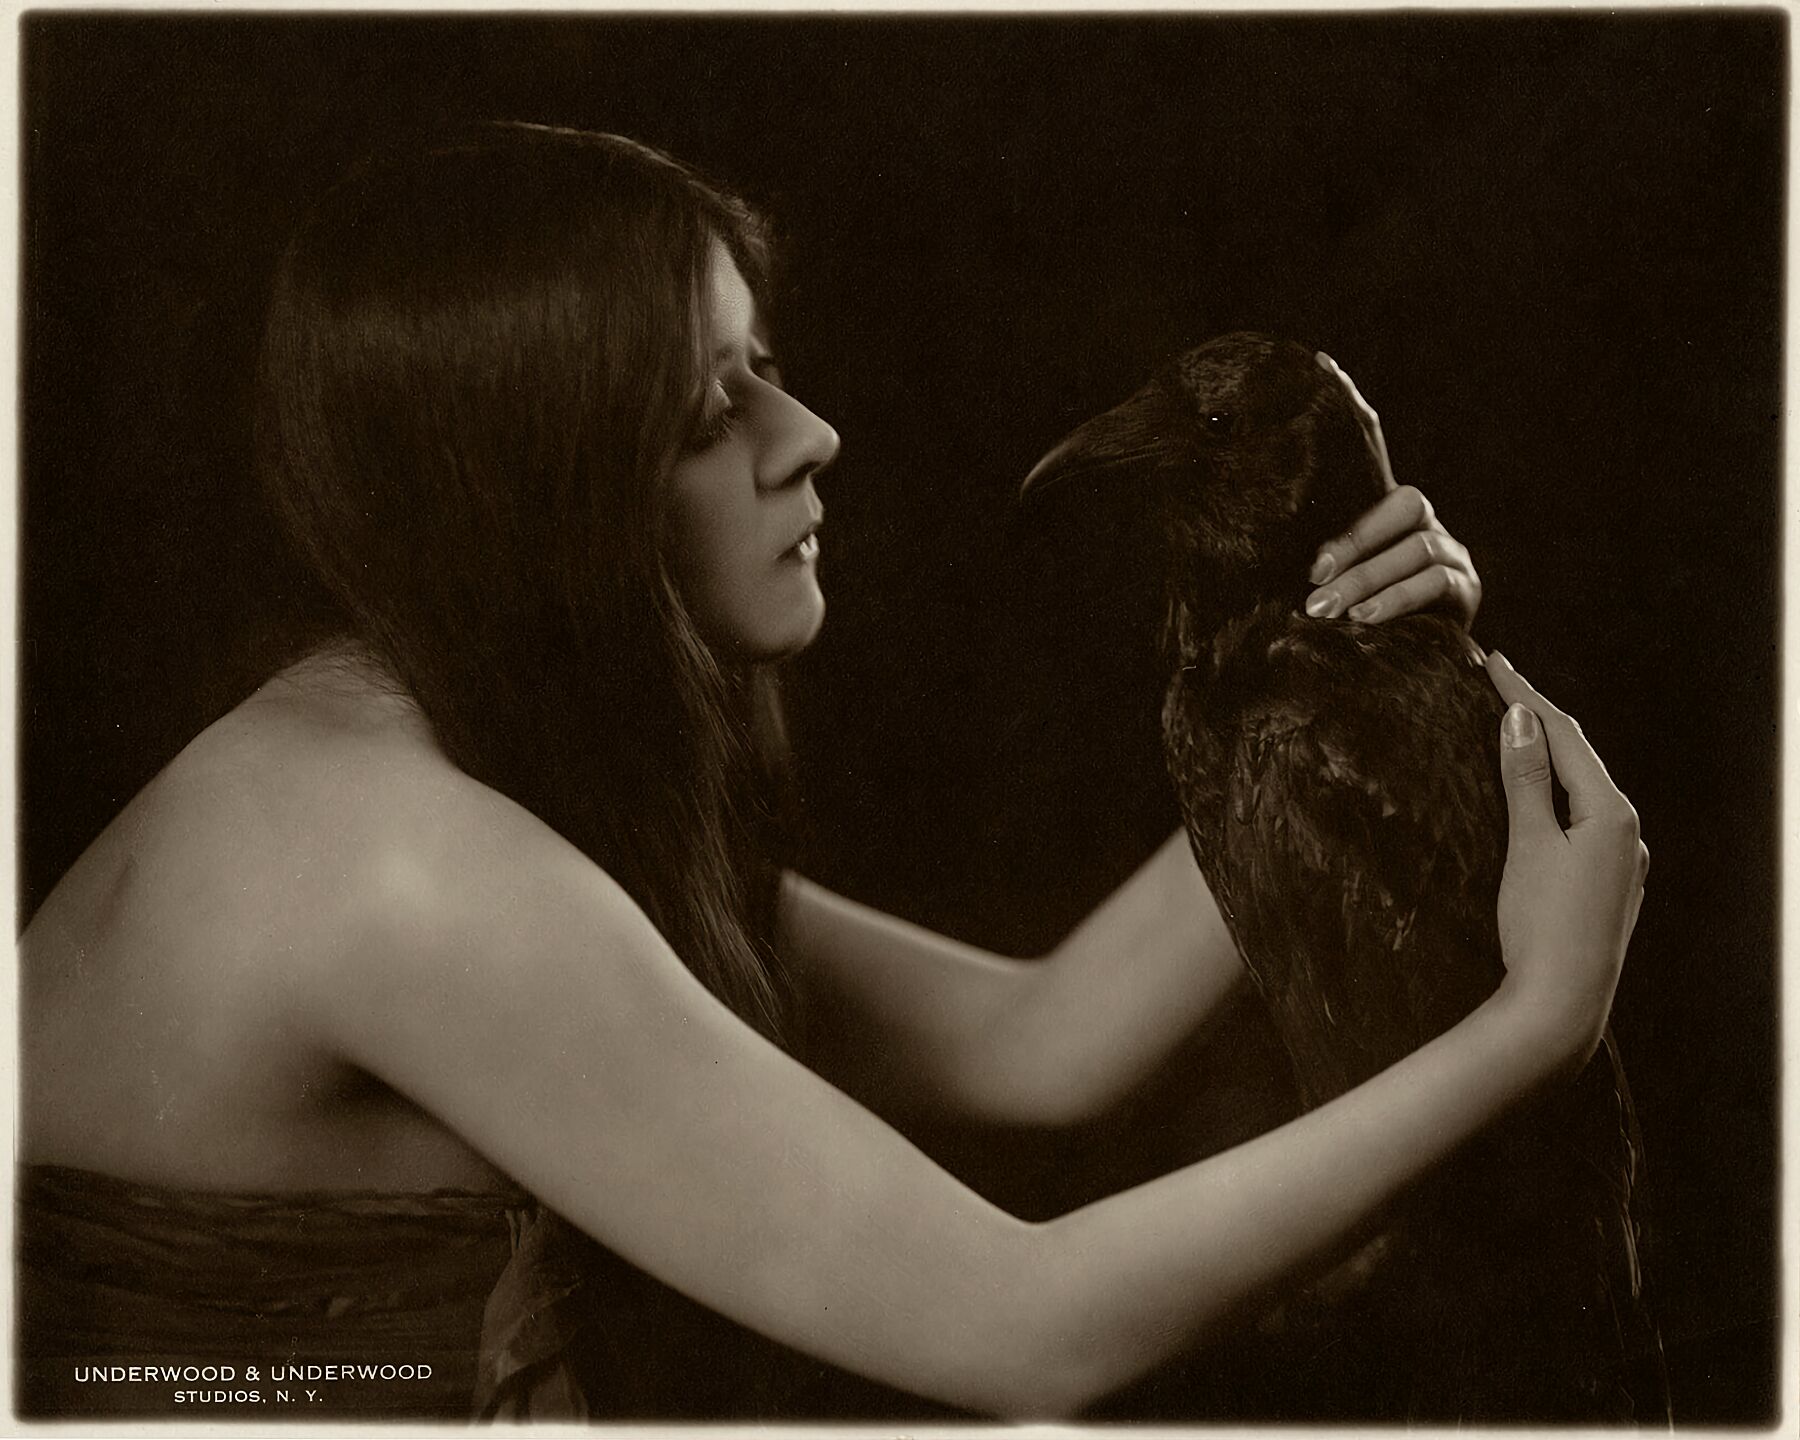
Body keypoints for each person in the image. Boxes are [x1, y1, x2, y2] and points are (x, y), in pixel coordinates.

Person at [17, 124, 1647, 1422]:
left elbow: (1037, 1043)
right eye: (701, 408)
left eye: (766, 363)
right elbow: (1030, 1333)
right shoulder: (394, 862)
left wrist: (1338, 676)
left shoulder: (457, 748)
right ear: (541, 484)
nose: (808, 435)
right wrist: (1537, 1020)